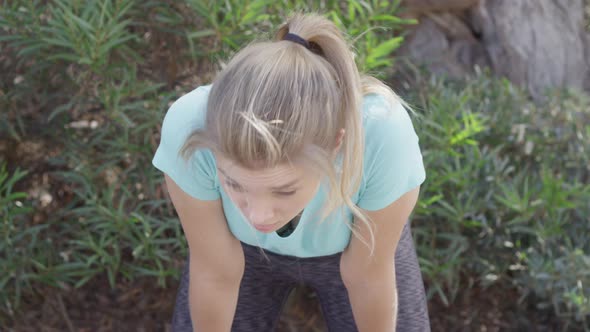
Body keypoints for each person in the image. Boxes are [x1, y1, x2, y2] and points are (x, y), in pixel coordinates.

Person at [152, 12, 430, 332]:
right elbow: (215, 272)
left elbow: (366, 277)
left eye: (284, 189)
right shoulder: (190, 127)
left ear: (335, 145)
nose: (259, 216)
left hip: (356, 252)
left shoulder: (382, 133)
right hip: (235, 248)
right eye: (233, 183)